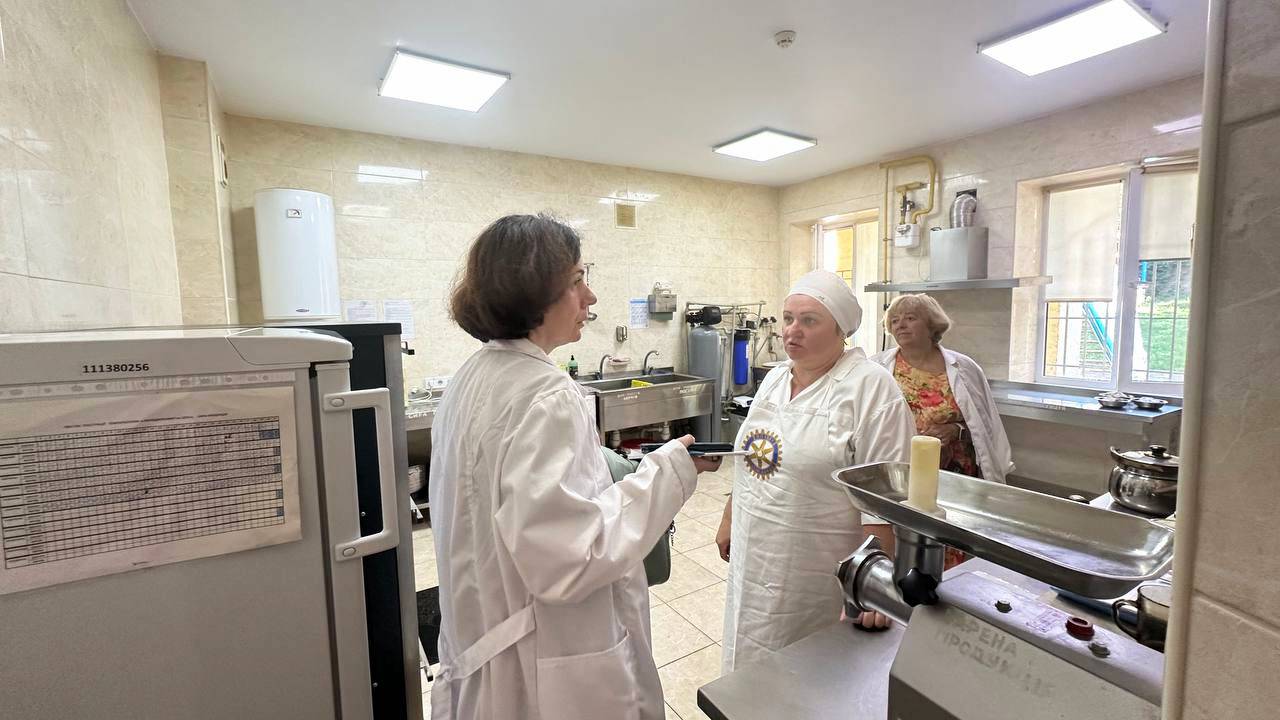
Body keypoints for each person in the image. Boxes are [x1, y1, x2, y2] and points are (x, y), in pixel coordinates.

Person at [429, 214, 721, 720]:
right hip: (539, 662)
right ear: (533, 291)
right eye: (576, 280)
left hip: (485, 638)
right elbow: (574, 557)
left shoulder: (473, 376)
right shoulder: (545, 394)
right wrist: (670, 469)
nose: (591, 297)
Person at [716, 270, 915, 673]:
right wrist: (729, 517)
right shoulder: (775, 379)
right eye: (788, 318)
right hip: (756, 552)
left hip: (817, 565)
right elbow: (753, 456)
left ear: (841, 330)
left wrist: (873, 586)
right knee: (749, 657)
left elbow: (883, 505)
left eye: (809, 320)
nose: (793, 330)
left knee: (807, 671)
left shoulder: (871, 390)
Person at [871, 293, 1013, 483]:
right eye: (894, 320)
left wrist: (956, 430)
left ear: (932, 325)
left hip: (956, 472)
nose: (901, 325)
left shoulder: (965, 368)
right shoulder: (876, 367)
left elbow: (986, 427)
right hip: (899, 469)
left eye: (910, 318)